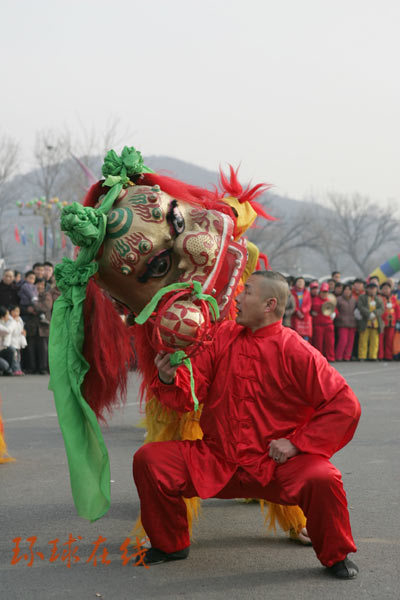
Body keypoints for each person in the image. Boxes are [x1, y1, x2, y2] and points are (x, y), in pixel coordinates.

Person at [133, 271, 361, 579]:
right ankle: (170, 544)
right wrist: (168, 377)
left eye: (247, 292)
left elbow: (345, 404)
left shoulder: (296, 349)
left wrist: (296, 444)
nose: (237, 298)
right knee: (150, 460)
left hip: (274, 465)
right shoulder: (223, 336)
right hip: (217, 458)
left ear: (269, 305)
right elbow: (191, 390)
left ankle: (336, 555)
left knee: (324, 477)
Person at [357, 282, 384, 361]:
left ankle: (373, 356)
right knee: (363, 340)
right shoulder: (362, 297)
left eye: (374, 289)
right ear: (367, 289)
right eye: (370, 288)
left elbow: (382, 308)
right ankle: (362, 356)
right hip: (365, 321)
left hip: (375, 323)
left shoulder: (379, 298)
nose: (372, 290)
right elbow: (360, 306)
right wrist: (368, 314)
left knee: (375, 341)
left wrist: (375, 313)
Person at [310, 282, 335, 362]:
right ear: (320, 292)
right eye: (323, 292)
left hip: (328, 324)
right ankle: (319, 358)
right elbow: (312, 309)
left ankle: (330, 357)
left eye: (326, 292)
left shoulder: (330, 300)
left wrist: (334, 314)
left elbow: (335, 310)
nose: (324, 294)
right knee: (318, 343)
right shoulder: (315, 300)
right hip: (318, 325)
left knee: (330, 343)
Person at [378, 281, 400, 361]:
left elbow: (397, 310)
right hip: (382, 322)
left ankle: (388, 356)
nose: (386, 290)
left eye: (387, 288)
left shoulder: (394, 298)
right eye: (384, 288)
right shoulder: (379, 298)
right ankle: (380, 356)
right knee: (380, 340)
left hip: (392, 323)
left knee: (389, 340)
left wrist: (398, 319)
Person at [335, 285, 357, 361]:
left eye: (349, 290)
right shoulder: (338, 299)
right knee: (343, 340)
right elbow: (335, 309)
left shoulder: (354, 300)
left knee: (350, 342)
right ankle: (339, 356)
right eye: (346, 290)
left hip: (352, 322)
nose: (347, 291)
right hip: (342, 323)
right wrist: (338, 316)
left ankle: (347, 356)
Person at [290, 277, 312, 341]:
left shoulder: (307, 292)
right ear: (295, 283)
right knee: (295, 337)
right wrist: (297, 311)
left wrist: (303, 311)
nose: (300, 283)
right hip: (295, 316)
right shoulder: (291, 292)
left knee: (305, 338)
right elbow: (292, 304)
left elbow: (309, 304)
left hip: (305, 317)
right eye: (299, 281)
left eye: (302, 282)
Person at [9, 305, 26, 374]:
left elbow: (21, 327)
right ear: (11, 312)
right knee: (14, 357)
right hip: (12, 341)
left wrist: (23, 331)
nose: (17, 313)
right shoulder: (10, 320)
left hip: (18, 341)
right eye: (15, 311)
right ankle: (15, 370)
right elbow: (11, 331)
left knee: (18, 357)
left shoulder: (19, 319)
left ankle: (19, 369)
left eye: (18, 311)